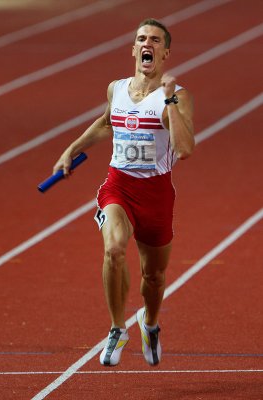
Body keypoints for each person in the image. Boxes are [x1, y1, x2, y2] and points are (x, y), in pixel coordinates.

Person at [53, 18, 194, 366]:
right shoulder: (116, 89)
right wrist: (71, 149)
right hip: (118, 186)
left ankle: (149, 323)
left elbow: (185, 147)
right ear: (134, 49)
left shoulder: (176, 96)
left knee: (154, 277)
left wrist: (171, 102)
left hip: (157, 194)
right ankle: (118, 328)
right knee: (114, 250)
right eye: (142, 38)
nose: (148, 43)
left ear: (165, 53)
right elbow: (105, 124)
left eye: (155, 40)